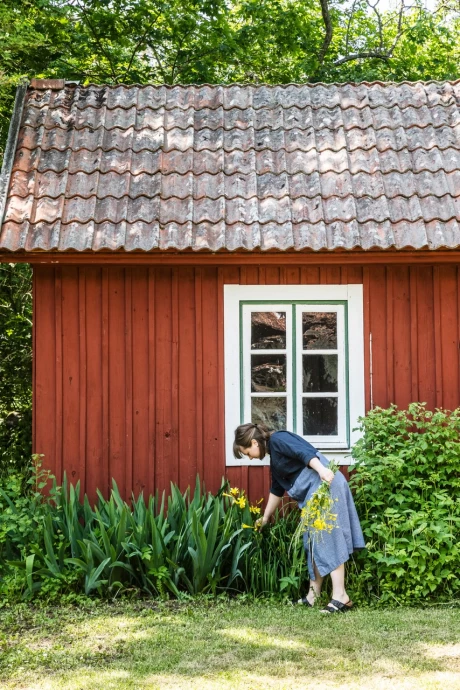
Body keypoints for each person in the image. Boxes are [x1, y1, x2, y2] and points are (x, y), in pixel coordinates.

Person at [233, 422, 365, 613]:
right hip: (316, 490)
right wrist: (265, 517)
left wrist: (322, 470)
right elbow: (277, 489)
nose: (250, 458)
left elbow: (304, 452)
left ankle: (341, 596)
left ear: (254, 443)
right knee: (312, 541)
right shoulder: (275, 458)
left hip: (325, 485)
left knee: (328, 538)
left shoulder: (279, 439)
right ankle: (313, 595)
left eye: (247, 453)